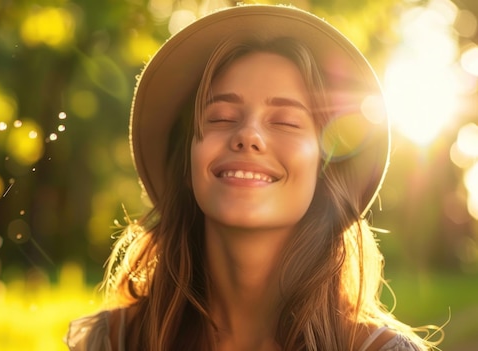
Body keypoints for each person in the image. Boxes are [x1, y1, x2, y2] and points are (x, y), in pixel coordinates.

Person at [65, 4, 441, 351]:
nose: (248, 135)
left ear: (325, 171)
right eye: (222, 117)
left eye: (285, 122)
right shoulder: (114, 341)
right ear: (187, 162)